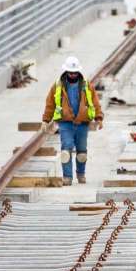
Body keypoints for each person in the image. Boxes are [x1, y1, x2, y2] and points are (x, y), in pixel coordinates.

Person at [41, 56, 103, 186]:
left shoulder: (86, 85)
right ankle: (67, 177)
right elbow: (50, 104)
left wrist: (99, 117)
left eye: (75, 72)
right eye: (70, 72)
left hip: (82, 123)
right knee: (65, 151)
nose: (73, 75)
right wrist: (46, 120)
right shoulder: (58, 85)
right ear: (66, 71)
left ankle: (81, 174)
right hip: (65, 123)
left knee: (81, 153)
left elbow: (95, 102)